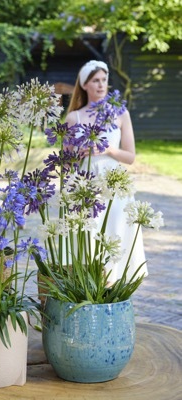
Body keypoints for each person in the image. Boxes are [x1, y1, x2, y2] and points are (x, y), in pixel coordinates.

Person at [64, 59, 148, 284]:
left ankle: (114, 286)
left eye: (104, 80)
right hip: (85, 183)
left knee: (116, 232)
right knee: (88, 237)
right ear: (84, 85)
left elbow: (130, 157)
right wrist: (76, 154)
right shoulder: (74, 118)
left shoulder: (120, 114)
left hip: (114, 182)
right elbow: (66, 162)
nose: (101, 85)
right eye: (95, 81)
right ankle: (90, 284)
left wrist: (107, 148)